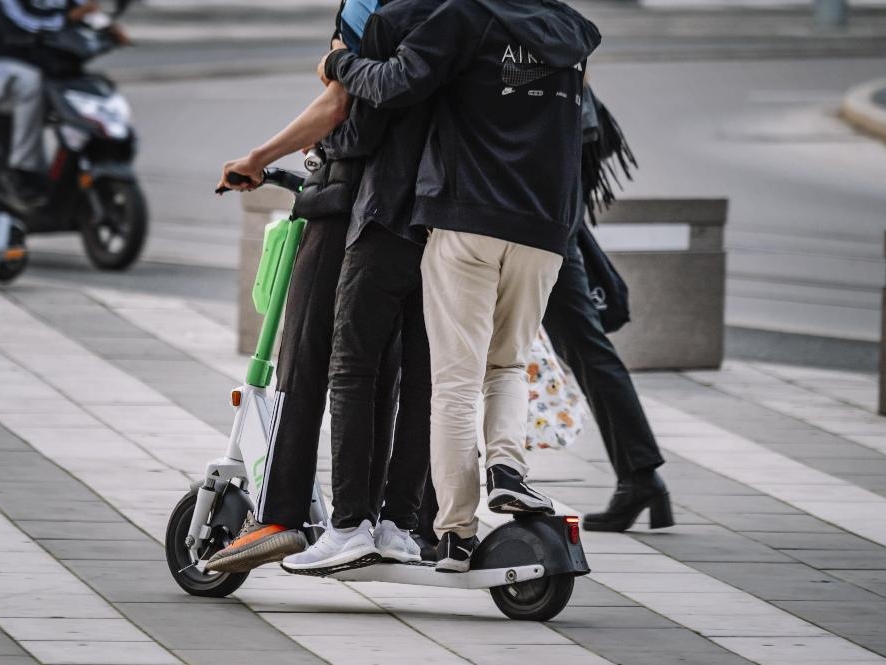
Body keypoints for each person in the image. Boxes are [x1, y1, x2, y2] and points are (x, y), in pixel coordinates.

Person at [317, 0, 601, 572]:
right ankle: (507, 470)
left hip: (467, 217)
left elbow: (396, 84)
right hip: (545, 228)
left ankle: (455, 534)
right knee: (508, 364)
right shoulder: (573, 31)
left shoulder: (464, 16)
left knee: (454, 383)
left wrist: (340, 64)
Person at [205, 0, 437, 573]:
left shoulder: (371, 8)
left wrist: (258, 157)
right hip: (422, 209)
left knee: (305, 357)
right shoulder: (457, 13)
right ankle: (388, 520)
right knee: (382, 369)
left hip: (348, 201)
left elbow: (338, 102)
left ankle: (282, 514)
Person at [277, 0, 444, 575]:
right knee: (426, 378)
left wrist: (267, 154)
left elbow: (354, 111)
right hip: (455, 220)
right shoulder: (487, 17)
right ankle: (401, 523)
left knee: (347, 367)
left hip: (381, 209)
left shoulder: (380, 12)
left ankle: (343, 523)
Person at [542, 89, 674, 532]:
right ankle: (639, 477)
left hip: (533, 219)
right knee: (586, 348)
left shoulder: (518, 35)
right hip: (552, 215)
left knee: (584, 347)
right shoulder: (555, 37)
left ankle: (640, 476)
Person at [0, 0, 126, 209]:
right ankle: (23, 172)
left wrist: (107, 28)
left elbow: (85, 10)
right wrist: (69, 18)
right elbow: (20, 23)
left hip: (40, 65)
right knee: (30, 84)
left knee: (87, 87)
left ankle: (73, 168)